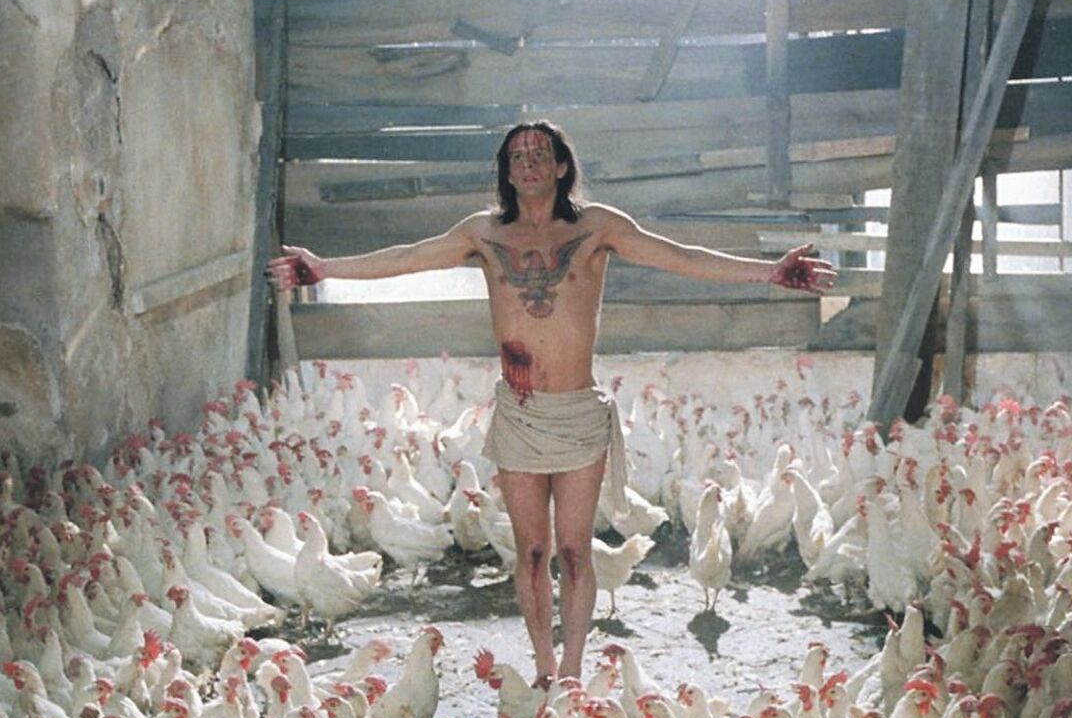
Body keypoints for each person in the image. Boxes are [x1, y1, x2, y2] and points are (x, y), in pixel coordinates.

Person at [267, 121, 835, 685]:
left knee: (575, 551)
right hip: (519, 413)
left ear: (562, 167)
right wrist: (326, 268)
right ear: (507, 173)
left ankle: (572, 668)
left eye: (540, 154)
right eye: (517, 157)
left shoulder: (596, 227)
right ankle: (544, 662)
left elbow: (677, 255)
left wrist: (769, 272)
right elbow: (409, 256)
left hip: (577, 412)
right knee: (532, 552)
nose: (529, 163)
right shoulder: (484, 233)